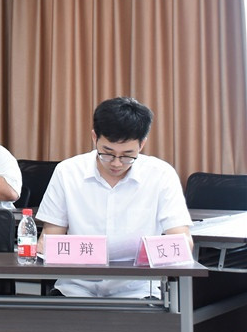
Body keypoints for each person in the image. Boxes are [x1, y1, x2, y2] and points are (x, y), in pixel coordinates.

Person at [36, 96, 193, 298]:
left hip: (138, 288)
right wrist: (45, 247)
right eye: (107, 153)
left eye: (127, 155)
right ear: (94, 137)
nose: (117, 163)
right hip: (76, 286)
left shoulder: (161, 175)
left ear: (142, 144)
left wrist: (155, 252)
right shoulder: (67, 172)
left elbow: (182, 241)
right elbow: (51, 238)